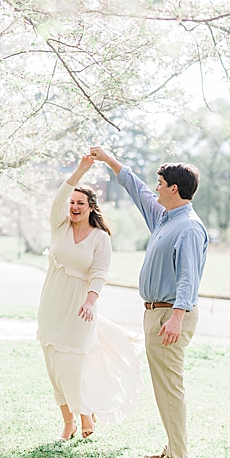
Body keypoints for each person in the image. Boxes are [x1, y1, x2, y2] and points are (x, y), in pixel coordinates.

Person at [90, 146, 207, 458]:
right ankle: (173, 449)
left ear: (174, 188)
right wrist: (109, 159)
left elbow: (189, 277)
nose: (154, 187)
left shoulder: (189, 227)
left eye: (160, 182)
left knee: (169, 386)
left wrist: (176, 318)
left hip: (172, 315)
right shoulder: (164, 218)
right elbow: (136, 188)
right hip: (158, 312)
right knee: (165, 385)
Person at [35, 154, 142, 441]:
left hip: (80, 308)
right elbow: (59, 199)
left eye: (80, 203)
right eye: (72, 202)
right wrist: (81, 170)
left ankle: (85, 416)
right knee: (54, 366)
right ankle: (68, 421)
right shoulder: (60, 226)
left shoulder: (100, 238)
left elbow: (100, 272)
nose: (74, 207)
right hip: (52, 306)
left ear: (91, 207)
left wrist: (91, 300)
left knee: (72, 366)